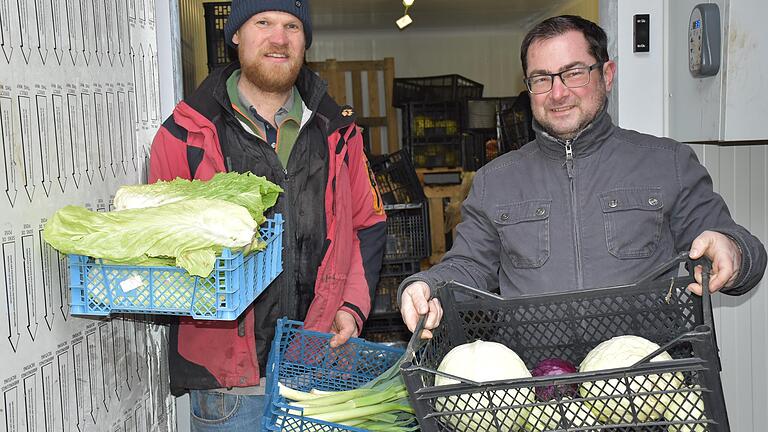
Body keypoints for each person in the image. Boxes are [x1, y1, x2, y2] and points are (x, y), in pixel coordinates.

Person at [399, 15, 766, 339]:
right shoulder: (495, 181)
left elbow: (741, 249)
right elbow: (469, 267)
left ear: (606, 75)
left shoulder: (667, 163)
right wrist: (426, 286)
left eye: (574, 72)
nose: (557, 93)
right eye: (541, 79)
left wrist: (732, 250)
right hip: (539, 392)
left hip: (655, 386)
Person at [148, 0, 387, 430]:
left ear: (305, 41)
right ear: (236, 34)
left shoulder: (338, 131)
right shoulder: (184, 134)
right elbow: (160, 248)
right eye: (263, 22)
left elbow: (367, 225)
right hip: (227, 392)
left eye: (292, 26)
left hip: (317, 372)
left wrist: (351, 308)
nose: (279, 38)